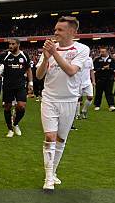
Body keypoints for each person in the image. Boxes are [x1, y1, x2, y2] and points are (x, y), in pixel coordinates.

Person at [35, 16, 90, 192]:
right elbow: (39, 75)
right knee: (50, 137)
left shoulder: (82, 49)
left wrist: (55, 53)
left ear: (72, 32)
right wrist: (45, 59)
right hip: (49, 99)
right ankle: (48, 178)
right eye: (55, 29)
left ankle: (53, 172)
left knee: (60, 139)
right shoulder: (49, 49)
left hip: (69, 100)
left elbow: (71, 71)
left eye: (60, 30)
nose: (55, 32)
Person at [92, 47, 115, 111]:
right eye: (100, 52)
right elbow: (94, 69)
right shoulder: (97, 59)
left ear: (107, 52)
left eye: (103, 52)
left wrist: (109, 68)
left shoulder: (112, 59)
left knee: (109, 92)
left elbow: (114, 69)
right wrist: (102, 68)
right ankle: (97, 105)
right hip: (99, 79)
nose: (101, 53)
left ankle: (111, 105)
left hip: (109, 79)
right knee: (98, 92)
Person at [76, 55, 94, 119]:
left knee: (90, 97)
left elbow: (91, 70)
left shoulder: (90, 59)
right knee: (78, 99)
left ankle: (84, 110)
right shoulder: (77, 58)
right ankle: (77, 114)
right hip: (78, 82)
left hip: (87, 82)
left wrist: (93, 81)